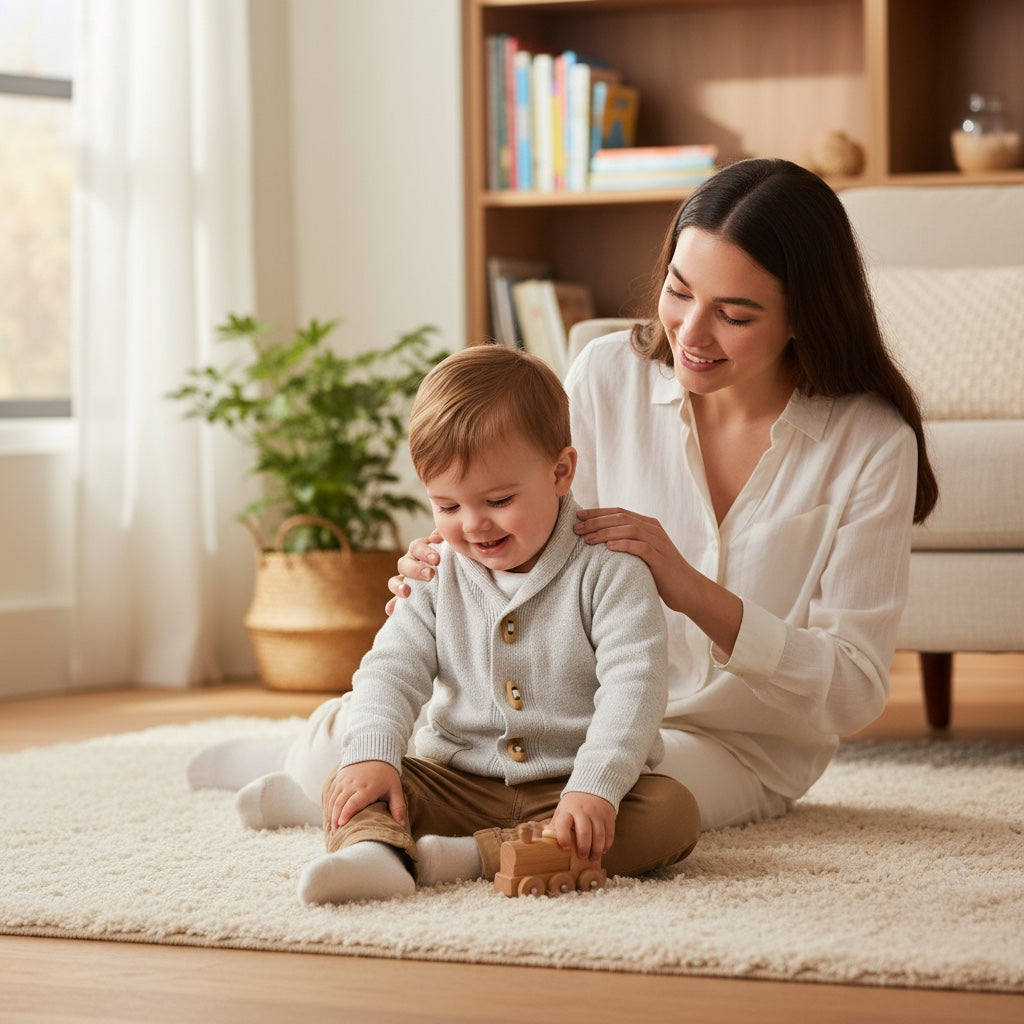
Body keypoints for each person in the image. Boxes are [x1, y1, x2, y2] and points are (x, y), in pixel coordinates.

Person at [389, 157, 939, 833]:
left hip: (731, 746)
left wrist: (691, 589)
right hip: (574, 715)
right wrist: (453, 573)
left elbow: (854, 690)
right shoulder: (604, 374)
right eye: (679, 291)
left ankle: (443, 835)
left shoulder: (870, 443)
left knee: (632, 805)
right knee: (361, 735)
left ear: (806, 316)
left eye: (734, 314)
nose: (691, 332)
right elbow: (530, 542)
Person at [191, 345, 699, 904]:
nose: (473, 525)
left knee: (671, 815)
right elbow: (391, 669)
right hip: (455, 779)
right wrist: (374, 756)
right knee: (360, 776)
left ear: (561, 472)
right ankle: (374, 854)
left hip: (568, 785)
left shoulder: (610, 569)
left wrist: (595, 788)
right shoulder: (435, 570)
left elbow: (636, 687)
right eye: (447, 506)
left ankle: (453, 857)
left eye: (498, 500)